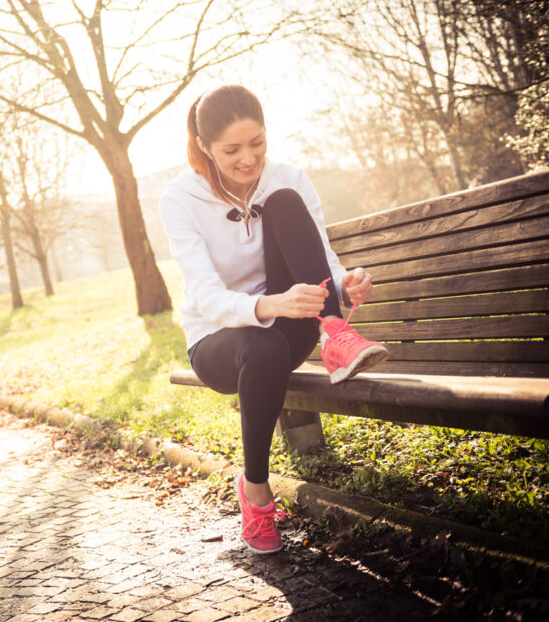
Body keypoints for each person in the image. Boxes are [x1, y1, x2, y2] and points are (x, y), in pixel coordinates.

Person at [157, 84, 390, 555]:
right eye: (232, 149)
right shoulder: (179, 199)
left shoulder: (287, 178)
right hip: (220, 341)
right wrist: (268, 306)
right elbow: (203, 294)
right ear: (204, 146)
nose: (249, 159)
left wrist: (345, 285)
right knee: (262, 345)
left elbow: (321, 259)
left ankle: (336, 334)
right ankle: (256, 491)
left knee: (282, 200)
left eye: (257, 142)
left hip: (294, 323)